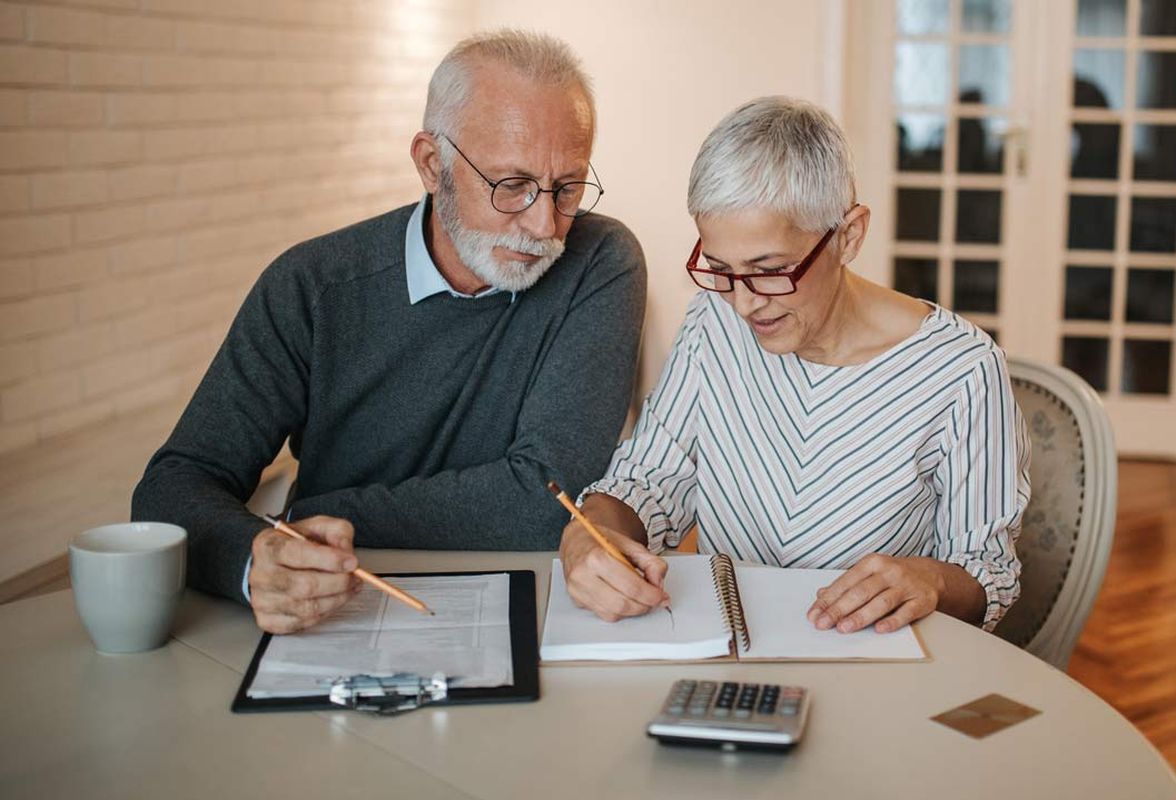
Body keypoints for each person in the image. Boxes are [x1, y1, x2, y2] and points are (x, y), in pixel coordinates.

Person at [132, 30, 646, 634]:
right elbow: (172, 488)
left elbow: (549, 500)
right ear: (433, 164)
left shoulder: (600, 261)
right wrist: (256, 559)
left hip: (532, 609)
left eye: (567, 188)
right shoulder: (311, 286)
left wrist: (317, 512)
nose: (544, 224)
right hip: (334, 615)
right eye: (512, 185)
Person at [559, 97, 1029, 634]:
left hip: (875, 667)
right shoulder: (714, 322)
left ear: (848, 236)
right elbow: (648, 480)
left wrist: (933, 581)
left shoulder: (962, 372)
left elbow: (988, 573)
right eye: (720, 269)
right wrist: (589, 528)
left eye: (769, 270)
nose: (744, 303)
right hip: (730, 655)